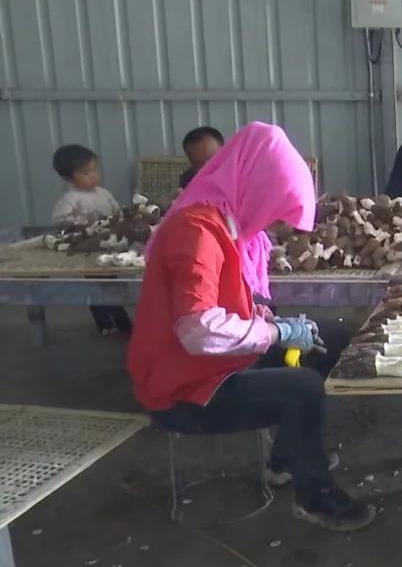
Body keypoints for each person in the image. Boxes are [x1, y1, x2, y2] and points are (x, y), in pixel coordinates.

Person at [126, 122, 376, 531]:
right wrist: (275, 334)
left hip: (218, 365)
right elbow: (198, 329)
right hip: (185, 390)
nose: (274, 226)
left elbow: (225, 306)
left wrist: (269, 321)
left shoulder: (225, 224)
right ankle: (315, 498)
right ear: (256, 188)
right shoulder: (196, 233)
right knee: (302, 389)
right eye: (275, 212)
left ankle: (287, 458)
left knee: (332, 337)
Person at [51, 144, 133, 336]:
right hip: (87, 249)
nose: (93, 176)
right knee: (97, 287)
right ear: (69, 178)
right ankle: (108, 324)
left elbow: (116, 212)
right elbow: (59, 220)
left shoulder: (103, 194)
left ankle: (120, 323)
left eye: (95, 170)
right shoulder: (71, 199)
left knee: (111, 284)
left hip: (109, 246)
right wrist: (79, 221)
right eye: (86, 173)